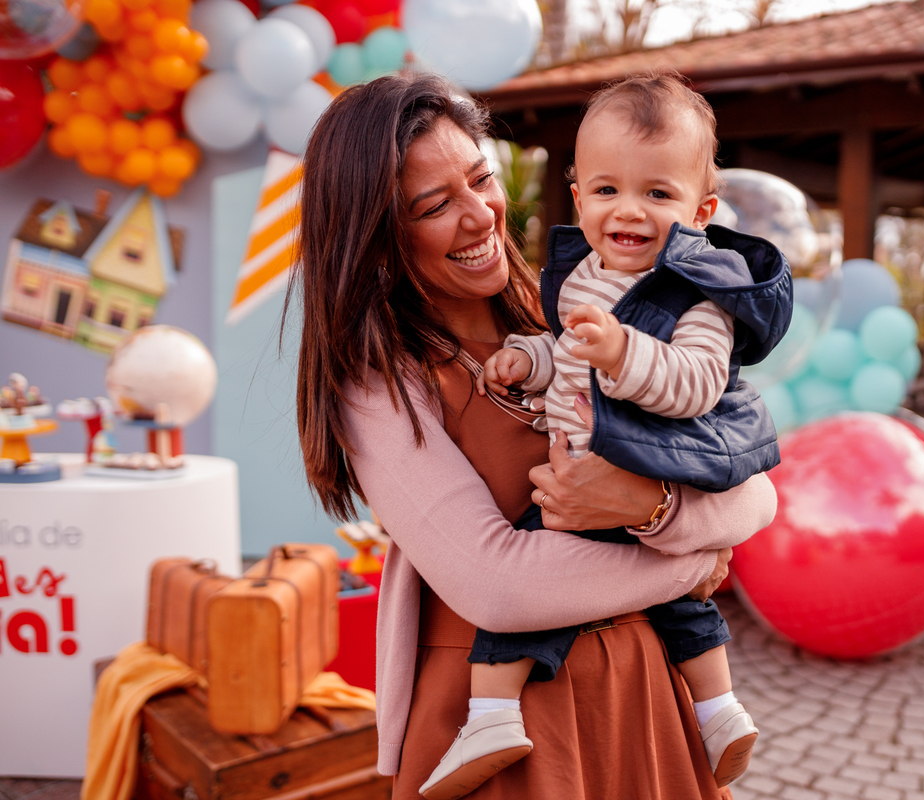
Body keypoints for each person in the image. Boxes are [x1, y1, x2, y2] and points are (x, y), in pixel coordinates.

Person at [292, 73, 778, 800]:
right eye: (434, 205)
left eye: (480, 178)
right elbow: (496, 586)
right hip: (504, 722)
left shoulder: (572, 310)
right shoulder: (380, 380)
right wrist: (692, 557)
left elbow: (755, 490)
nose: (480, 214)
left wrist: (651, 508)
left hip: (643, 691)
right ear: (378, 235)